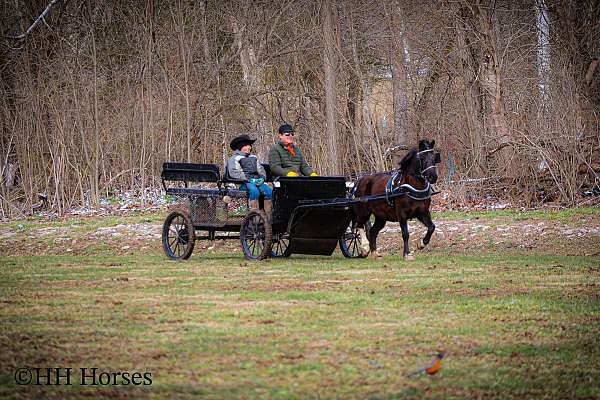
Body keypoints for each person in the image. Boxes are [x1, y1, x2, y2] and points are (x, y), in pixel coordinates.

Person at [227, 134, 272, 213]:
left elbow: (260, 169)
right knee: (254, 191)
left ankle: (268, 216)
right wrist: (249, 179)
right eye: (246, 145)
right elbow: (233, 172)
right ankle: (253, 216)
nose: (249, 147)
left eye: (250, 145)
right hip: (243, 183)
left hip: (257, 181)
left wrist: (262, 178)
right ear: (240, 147)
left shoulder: (254, 157)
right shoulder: (234, 158)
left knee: (268, 191)